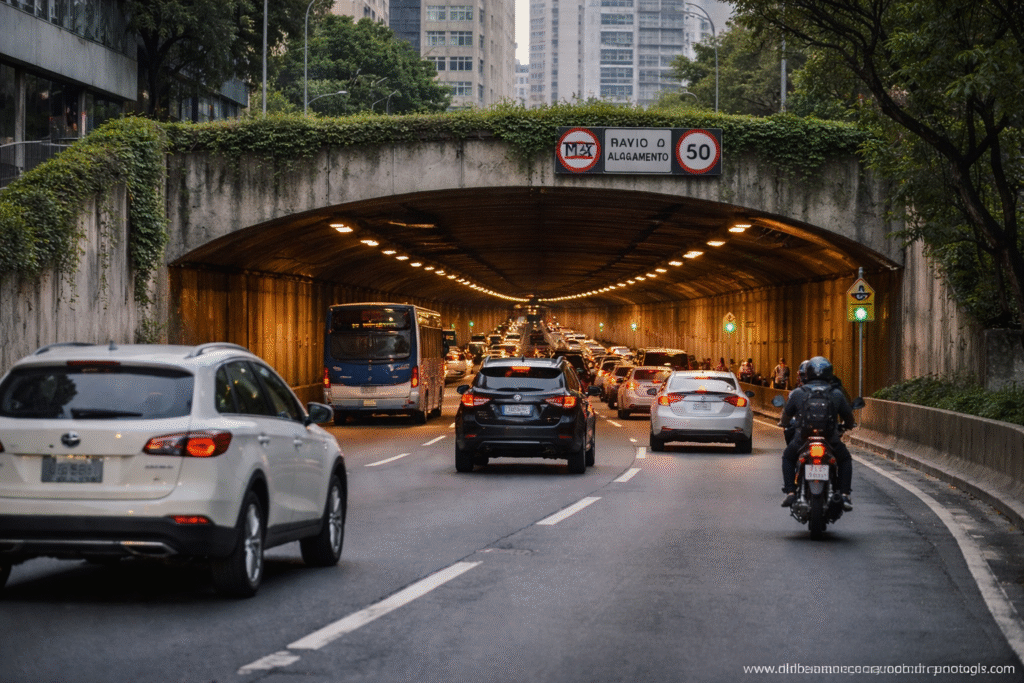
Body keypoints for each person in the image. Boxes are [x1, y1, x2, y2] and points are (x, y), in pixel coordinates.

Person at [777, 356, 856, 511]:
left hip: (803, 438)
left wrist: (783, 424)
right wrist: (848, 425)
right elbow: (848, 416)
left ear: (808, 373)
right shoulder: (836, 393)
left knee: (788, 457)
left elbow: (785, 416)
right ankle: (845, 494)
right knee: (845, 459)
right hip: (830, 439)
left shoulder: (798, 393)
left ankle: (791, 492)